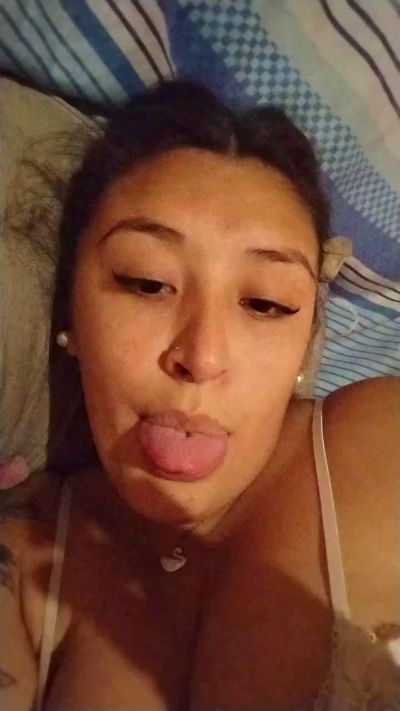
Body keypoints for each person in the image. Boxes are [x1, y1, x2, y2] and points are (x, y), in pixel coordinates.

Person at [1, 79, 399, 711]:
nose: (203, 355)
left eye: (265, 303)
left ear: (305, 346)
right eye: (146, 282)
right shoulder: (25, 545)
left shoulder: (381, 442)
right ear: (71, 315)